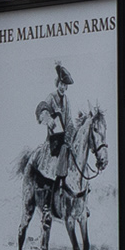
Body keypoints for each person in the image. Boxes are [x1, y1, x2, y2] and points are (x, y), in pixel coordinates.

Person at [34, 62, 74, 190]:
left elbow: (69, 121)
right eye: (61, 84)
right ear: (58, 84)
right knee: (49, 169)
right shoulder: (51, 97)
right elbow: (41, 107)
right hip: (52, 141)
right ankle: (46, 201)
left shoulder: (67, 101)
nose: (63, 87)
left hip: (63, 141)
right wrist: (48, 118)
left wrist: (69, 137)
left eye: (65, 85)